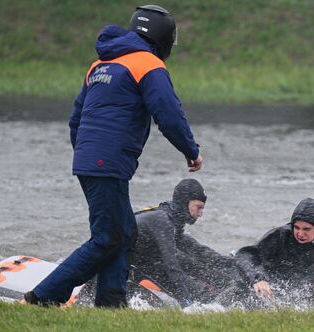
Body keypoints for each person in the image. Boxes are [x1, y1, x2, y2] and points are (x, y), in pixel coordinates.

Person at [24, 5, 202, 307]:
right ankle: (40, 297)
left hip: (91, 160)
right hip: (107, 162)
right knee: (106, 238)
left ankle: (110, 304)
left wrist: (86, 154)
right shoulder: (148, 64)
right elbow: (168, 113)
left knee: (123, 232)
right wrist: (191, 151)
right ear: (163, 38)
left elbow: (75, 120)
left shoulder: (100, 65)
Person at [127, 179, 242, 307]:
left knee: (193, 262)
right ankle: (207, 298)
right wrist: (186, 301)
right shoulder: (162, 220)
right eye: (198, 207)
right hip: (125, 267)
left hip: (147, 261)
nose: (200, 214)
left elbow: (199, 251)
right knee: (186, 272)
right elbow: (171, 266)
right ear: (184, 202)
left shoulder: (173, 220)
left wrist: (235, 262)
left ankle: (231, 282)